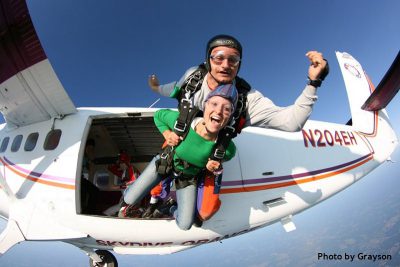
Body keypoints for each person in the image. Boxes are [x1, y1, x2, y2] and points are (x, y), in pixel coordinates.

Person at [148, 34, 329, 135]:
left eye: (233, 60)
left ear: (239, 65)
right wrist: (156, 87)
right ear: (208, 61)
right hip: (178, 141)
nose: (225, 65)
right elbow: (172, 90)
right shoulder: (192, 77)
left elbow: (292, 123)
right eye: (218, 58)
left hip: (211, 158)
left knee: (209, 205)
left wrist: (314, 82)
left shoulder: (247, 98)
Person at [122, 84, 238, 230]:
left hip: (187, 178)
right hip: (165, 164)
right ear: (205, 106)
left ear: (230, 117)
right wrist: (167, 134)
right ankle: (131, 192)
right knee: (129, 199)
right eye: (214, 104)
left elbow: (226, 158)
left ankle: (170, 207)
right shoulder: (183, 121)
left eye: (227, 109)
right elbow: (159, 116)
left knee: (185, 225)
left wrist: (215, 165)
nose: (219, 111)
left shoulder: (226, 148)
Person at [103, 152, 141, 216]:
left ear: (124, 162)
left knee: (107, 213)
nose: (119, 165)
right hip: (125, 200)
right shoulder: (124, 172)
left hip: (130, 201)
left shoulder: (131, 169)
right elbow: (111, 168)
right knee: (115, 212)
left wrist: (117, 187)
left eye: (120, 163)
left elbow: (134, 183)